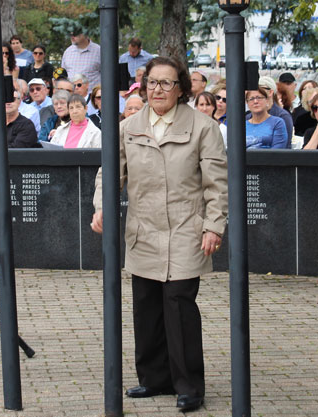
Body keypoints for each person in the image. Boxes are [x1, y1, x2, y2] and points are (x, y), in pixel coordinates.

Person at [91, 56, 227, 413]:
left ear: (181, 88)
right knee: (146, 305)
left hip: (186, 229)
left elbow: (217, 183)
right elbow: (110, 172)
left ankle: (189, 386)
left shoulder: (202, 127)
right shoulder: (129, 126)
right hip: (144, 229)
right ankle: (154, 379)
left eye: (167, 83)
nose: (158, 89)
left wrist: (214, 225)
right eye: (152, 82)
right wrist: (101, 205)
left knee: (178, 305)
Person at [254, 76, 293, 148]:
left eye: (261, 89)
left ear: (270, 92)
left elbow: (284, 147)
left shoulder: (283, 116)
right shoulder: (250, 116)